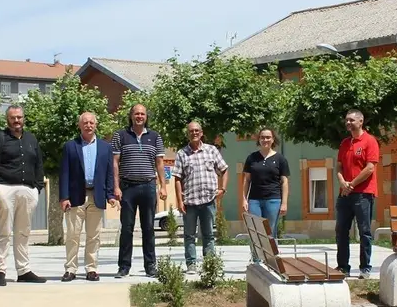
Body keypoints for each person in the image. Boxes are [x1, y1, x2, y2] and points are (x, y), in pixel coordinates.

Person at [0, 106, 46, 286]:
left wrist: (38, 187)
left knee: (23, 231)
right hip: (5, 189)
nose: (16, 121)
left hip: (28, 190)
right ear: (7, 119)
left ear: (23, 118)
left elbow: (38, 164)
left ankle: (23, 270)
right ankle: (1, 271)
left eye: (19, 117)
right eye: (13, 118)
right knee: (4, 231)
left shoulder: (31, 139)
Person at [59, 111, 116, 281]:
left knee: (94, 236)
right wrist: (64, 197)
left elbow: (109, 174)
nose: (88, 125)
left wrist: (110, 195)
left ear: (96, 125)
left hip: (96, 196)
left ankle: (91, 268)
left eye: (91, 122)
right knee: (73, 235)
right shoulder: (70, 146)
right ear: (79, 125)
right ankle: (70, 269)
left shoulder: (105, 147)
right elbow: (64, 173)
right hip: (75, 197)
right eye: (85, 122)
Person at [111, 103, 167, 277]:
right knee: (127, 228)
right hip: (127, 187)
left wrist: (163, 186)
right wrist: (116, 186)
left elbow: (159, 163)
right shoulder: (120, 135)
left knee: (148, 228)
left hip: (148, 186)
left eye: (142, 114)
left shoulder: (155, 136)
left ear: (146, 117)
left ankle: (150, 266)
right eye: (136, 114)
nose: (139, 117)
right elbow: (115, 162)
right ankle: (124, 267)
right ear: (131, 116)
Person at [172, 121, 229, 274]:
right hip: (189, 202)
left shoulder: (212, 150)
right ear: (188, 134)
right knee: (189, 235)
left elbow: (224, 169)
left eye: (197, 130)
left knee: (208, 234)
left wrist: (222, 189)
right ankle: (191, 264)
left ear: (202, 133)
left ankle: (209, 264)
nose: (194, 133)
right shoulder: (182, 153)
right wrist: (179, 201)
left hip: (208, 200)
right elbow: (177, 178)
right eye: (191, 131)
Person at [336, 109, 379, 278]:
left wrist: (352, 184)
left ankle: (365, 268)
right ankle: (343, 267)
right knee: (341, 230)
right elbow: (339, 166)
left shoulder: (370, 141)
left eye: (352, 120)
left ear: (361, 121)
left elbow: (370, 168)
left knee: (364, 231)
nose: (348, 123)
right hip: (345, 194)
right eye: (347, 120)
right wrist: (342, 182)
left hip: (363, 194)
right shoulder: (345, 143)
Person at [240, 127, 290, 239]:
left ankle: (271, 251)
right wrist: (244, 199)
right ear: (259, 139)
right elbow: (247, 180)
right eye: (262, 137)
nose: (265, 140)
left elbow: (284, 182)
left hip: (273, 200)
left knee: (270, 232)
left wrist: (284, 203)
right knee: (255, 231)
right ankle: (256, 252)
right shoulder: (251, 158)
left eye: (268, 137)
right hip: (254, 200)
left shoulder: (280, 159)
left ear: (273, 139)